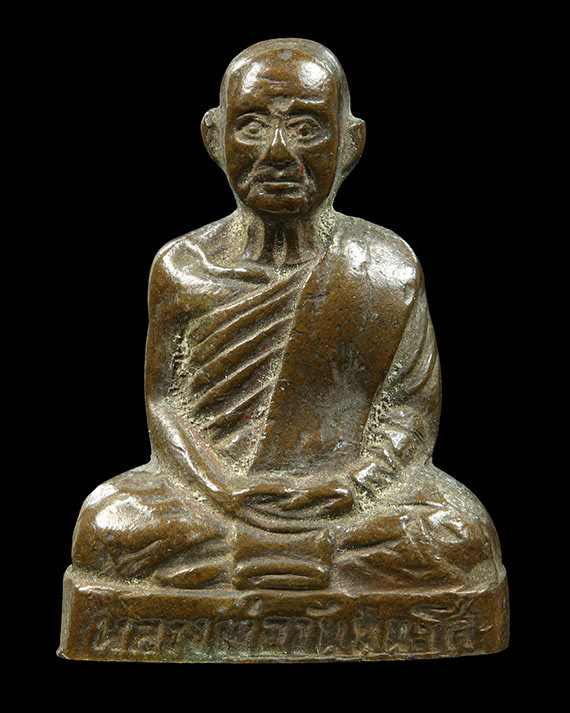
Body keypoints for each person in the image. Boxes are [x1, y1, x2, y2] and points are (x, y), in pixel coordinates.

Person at [72, 39, 503, 593]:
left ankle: (243, 565)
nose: (277, 151)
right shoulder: (182, 266)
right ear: (214, 137)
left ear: (350, 143)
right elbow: (164, 405)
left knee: (458, 534)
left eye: (306, 128)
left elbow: (411, 412)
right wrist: (224, 490)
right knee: (108, 524)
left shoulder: (386, 264)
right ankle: (303, 562)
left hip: (345, 500)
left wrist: (356, 485)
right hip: (218, 497)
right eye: (251, 126)